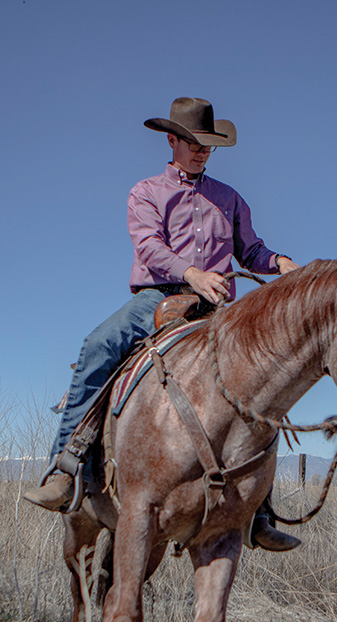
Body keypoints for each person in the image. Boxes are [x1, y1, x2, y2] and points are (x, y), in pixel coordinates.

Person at [23, 97, 303, 552]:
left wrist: (281, 263)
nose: (201, 152)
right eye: (193, 143)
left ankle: (258, 507)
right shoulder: (146, 192)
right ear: (171, 141)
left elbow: (250, 251)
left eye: (208, 145)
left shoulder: (229, 199)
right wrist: (190, 273)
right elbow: (149, 246)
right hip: (158, 298)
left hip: (217, 307)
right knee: (99, 345)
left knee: (263, 376)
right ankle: (67, 466)